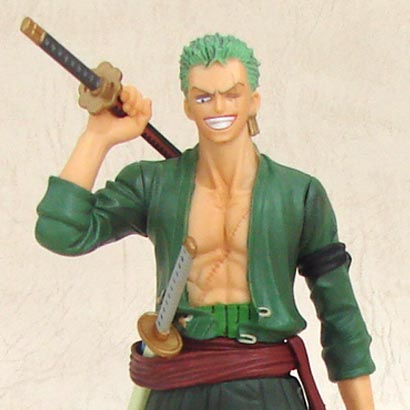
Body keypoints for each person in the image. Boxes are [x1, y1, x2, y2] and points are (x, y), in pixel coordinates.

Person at [36, 34, 375, 409]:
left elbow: (341, 317)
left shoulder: (299, 193)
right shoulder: (154, 184)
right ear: (187, 106)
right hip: (179, 383)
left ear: (253, 101)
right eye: (203, 97)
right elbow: (61, 233)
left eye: (232, 94)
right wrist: (98, 136)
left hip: (265, 389)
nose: (218, 107)